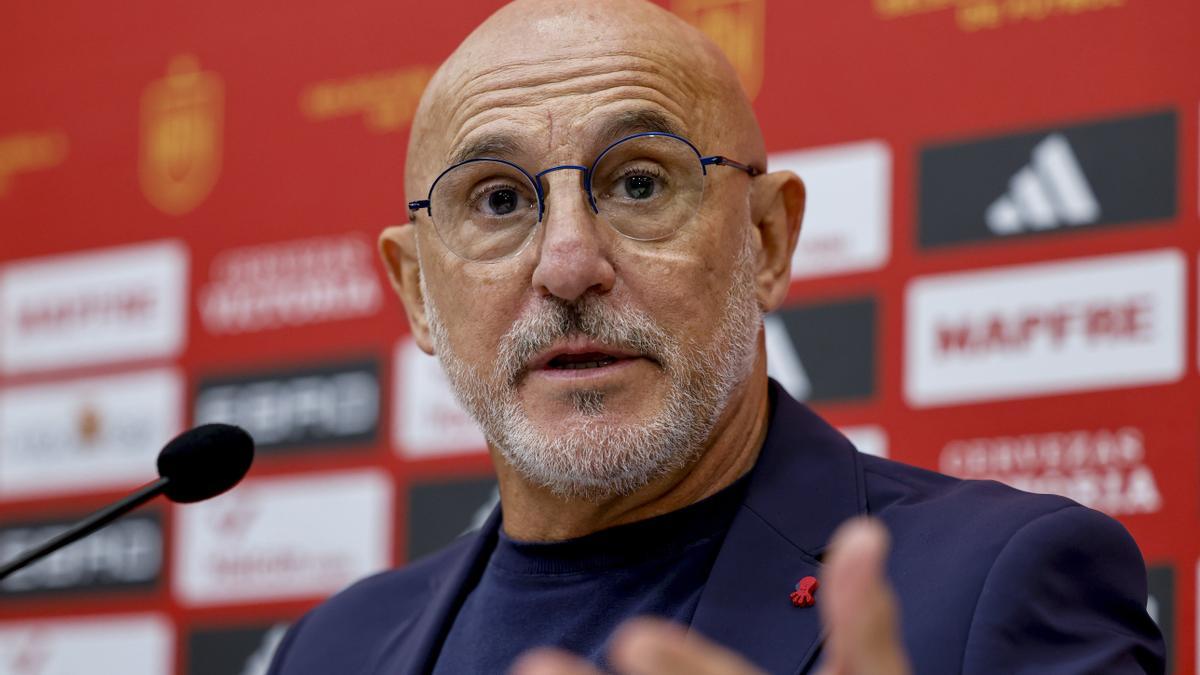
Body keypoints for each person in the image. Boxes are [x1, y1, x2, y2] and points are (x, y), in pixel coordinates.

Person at [266, 0, 1165, 673]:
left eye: (641, 184)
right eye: (499, 200)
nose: (569, 263)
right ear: (419, 293)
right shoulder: (329, 649)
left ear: (766, 240)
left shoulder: (1004, 582)